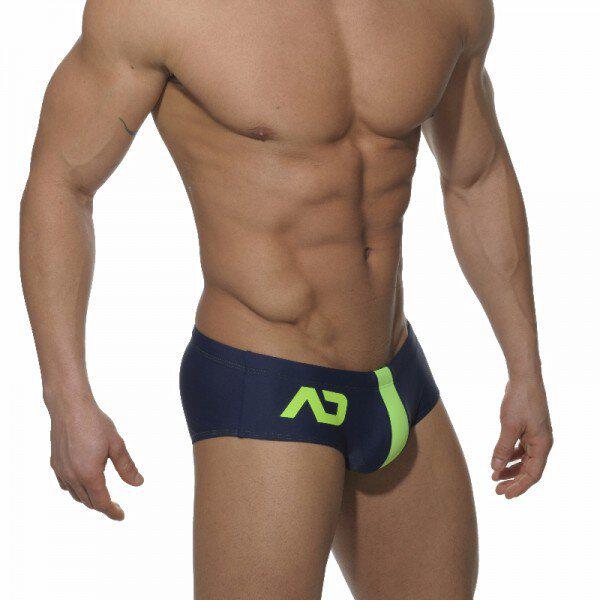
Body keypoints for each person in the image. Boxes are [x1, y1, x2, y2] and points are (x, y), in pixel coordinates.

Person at [19, 0, 552, 600]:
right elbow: (61, 182)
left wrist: (525, 370)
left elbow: (476, 175)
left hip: (395, 378)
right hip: (266, 384)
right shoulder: (163, 9)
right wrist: (66, 399)